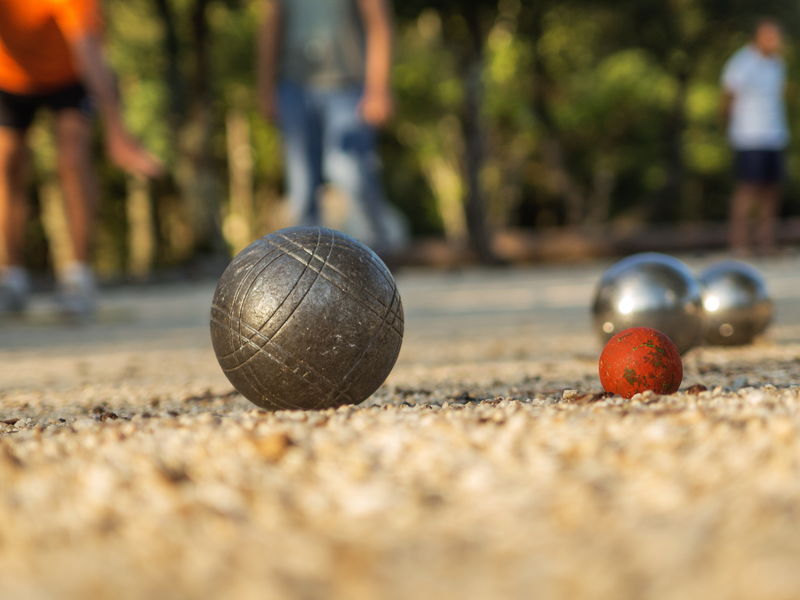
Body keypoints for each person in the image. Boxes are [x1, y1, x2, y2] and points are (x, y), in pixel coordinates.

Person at [0, 0, 162, 316]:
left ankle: (78, 277)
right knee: (7, 162)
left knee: (72, 158)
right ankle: (11, 279)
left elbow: (90, 53)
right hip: (8, 76)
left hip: (69, 74)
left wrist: (116, 130)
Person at [257, 0, 405, 254]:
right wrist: (265, 88)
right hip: (294, 87)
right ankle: (307, 267)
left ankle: (380, 255)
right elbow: (271, 24)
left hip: (347, 88)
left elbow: (378, 22)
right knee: (302, 188)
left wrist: (379, 89)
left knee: (351, 174)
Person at [721, 18, 789, 256]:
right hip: (749, 135)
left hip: (774, 135)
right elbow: (727, 96)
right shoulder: (741, 63)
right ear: (757, 37)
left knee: (771, 190)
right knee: (747, 190)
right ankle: (739, 245)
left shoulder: (777, 64)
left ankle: (765, 242)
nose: (774, 41)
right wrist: (728, 126)